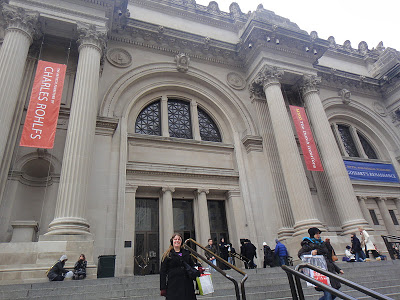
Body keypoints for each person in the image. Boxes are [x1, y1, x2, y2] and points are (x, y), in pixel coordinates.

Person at [298, 227, 344, 300]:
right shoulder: (308, 244)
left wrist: (338, 269)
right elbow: (300, 254)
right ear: (312, 234)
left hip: (329, 269)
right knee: (328, 294)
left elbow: (328, 259)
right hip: (319, 272)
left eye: (319, 233)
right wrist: (311, 253)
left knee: (335, 292)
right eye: (316, 234)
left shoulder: (323, 243)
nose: (318, 235)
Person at [160, 233, 199, 299]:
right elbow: (163, 272)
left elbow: (192, 266)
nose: (177, 241)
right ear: (172, 241)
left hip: (187, 284)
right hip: (173, 285)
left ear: (181, 242)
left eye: (179, 239)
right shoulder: (167, 255)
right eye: (175, 239)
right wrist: (163, 288)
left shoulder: (187, 253)